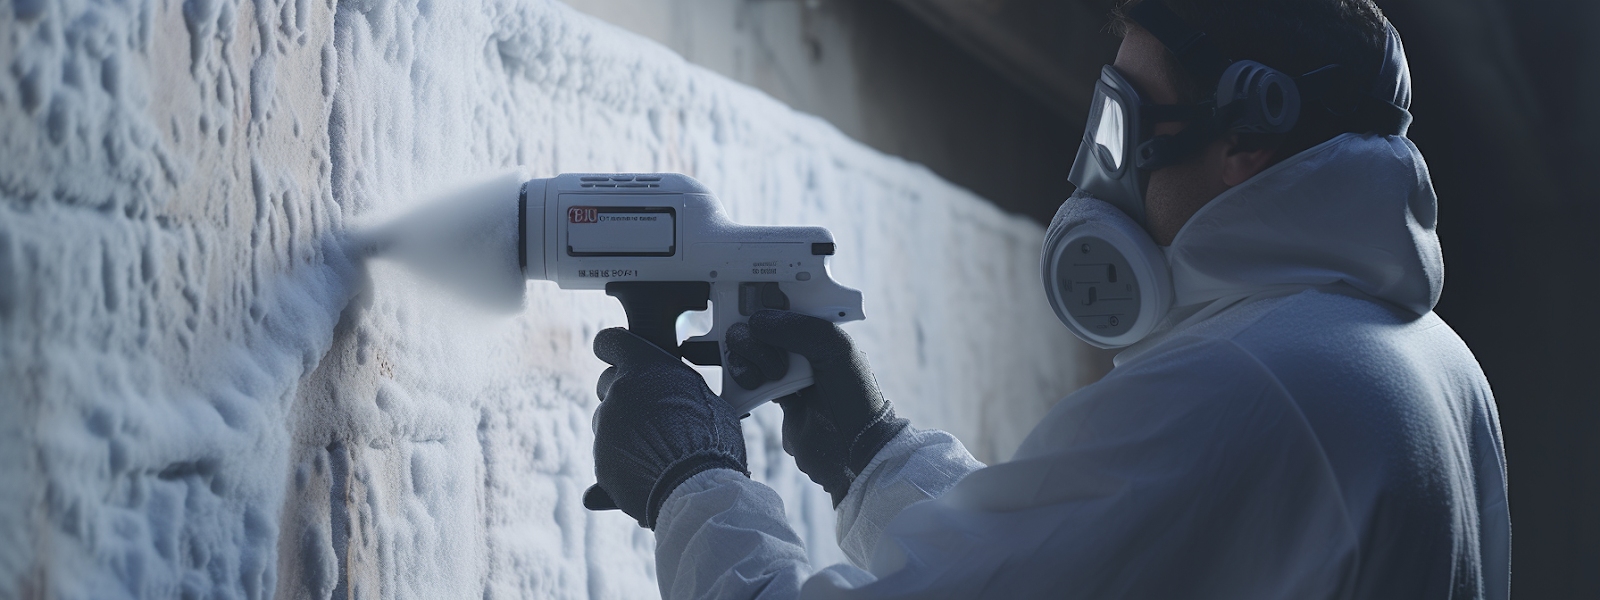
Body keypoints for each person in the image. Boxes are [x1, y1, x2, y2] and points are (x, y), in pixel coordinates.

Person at [585, 0, 1510, 597]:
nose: (1096, 170)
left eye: (1127, 119)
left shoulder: (1254, 382)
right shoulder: (1420, 358)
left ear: (1247, 137)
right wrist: (873, 455)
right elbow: (1067, 569)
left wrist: (689, 484)